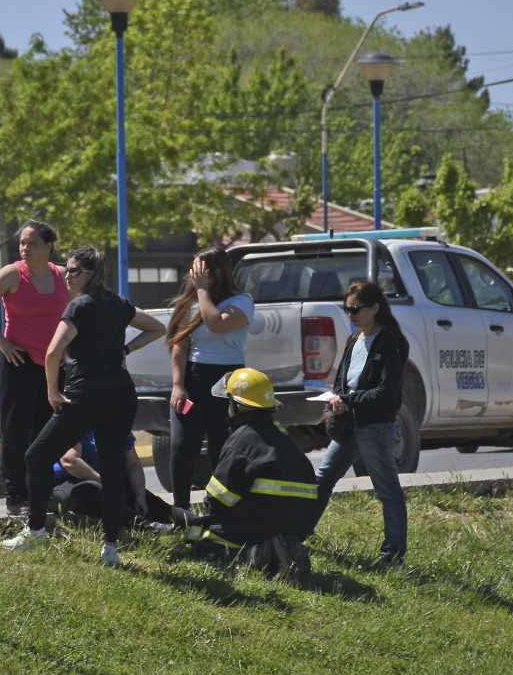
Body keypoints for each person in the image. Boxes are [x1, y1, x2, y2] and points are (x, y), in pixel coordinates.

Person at [1, 245, 166, 567]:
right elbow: (157, 327)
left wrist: (52, 392)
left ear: (89, 275)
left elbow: (52, 353)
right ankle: (110, 548)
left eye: (73, 271)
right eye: (66, 270)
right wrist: (126, 350)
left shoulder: (78, 307)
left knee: (36, 456)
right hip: (120, 394)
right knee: (113, 467)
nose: (66, 276)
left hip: (85, 394)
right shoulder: (118, 304)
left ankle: (35, 532)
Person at [169, 367, 316, 582]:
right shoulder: (281, 435)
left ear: (236, 406)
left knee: (196, 532)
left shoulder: (241, 440)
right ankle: (278, 546)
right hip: (297, 525)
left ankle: (258, 552)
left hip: (260, 523)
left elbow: (218, 499)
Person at [310, 280, 410, 568]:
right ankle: (298, 534)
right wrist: (337, 398)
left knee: (386, 489)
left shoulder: (392, 340)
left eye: (356, 309)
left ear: (376, 308)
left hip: (375, 426)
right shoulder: (354, 339)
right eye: (346, 309)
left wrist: (350, 400)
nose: (350, 315)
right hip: (347, 423)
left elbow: (387, 391)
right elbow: (342, 379)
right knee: (323, 478)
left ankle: (393, 555)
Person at [0, 220, 68, 514]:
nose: (25, 248)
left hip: (52, 364)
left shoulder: (63, 276)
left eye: (32, 243)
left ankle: (41, 492)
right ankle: (16, 496)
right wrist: (1, 343)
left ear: (49, 246)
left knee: (45, 432)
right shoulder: (12, 274)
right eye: (22, 243)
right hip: (18, 363)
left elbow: (78, 314)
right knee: (15, 432)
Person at [166, 246, 254, 510]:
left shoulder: (241, 302)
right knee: (182, 446)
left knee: (222, 447)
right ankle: (180, 510)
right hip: (193, 379)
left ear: (216, 273)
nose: (194, 275)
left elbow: (217, 324)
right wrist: (178, 385)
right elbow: (179, 346)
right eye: (193, 270)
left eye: (199, 270)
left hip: (227, 381)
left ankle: (222, 509)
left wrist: (202, 291)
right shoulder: (190, 304)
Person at [48, 432, 170, 525]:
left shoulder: (117, 425)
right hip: (67, 483)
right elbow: (70, 461)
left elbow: (133, 464)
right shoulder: (77, 423)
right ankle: (142, 525)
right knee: (94, 490)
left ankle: (184, 521)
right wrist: (106, 483)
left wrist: (140, 495)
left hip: (106, 484)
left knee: (149, 501)